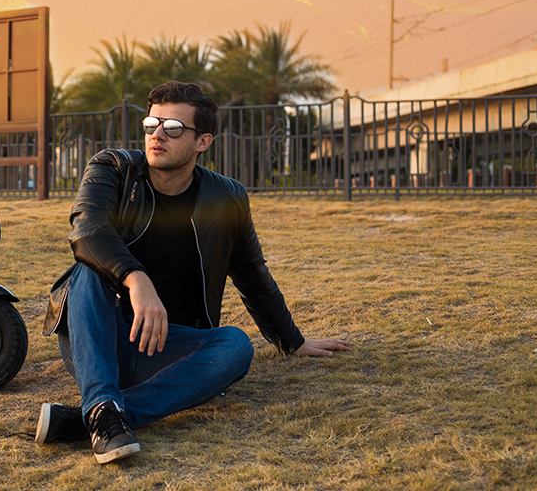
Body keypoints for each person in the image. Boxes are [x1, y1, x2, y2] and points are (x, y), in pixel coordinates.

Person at [35, 81, 353, 464]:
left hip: (167, 349)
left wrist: (293, 341)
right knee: (86, 271)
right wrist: (136, 279)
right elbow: (87, 230)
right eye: (152, 124)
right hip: (101, 339)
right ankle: (102, 401)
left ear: (203, 141)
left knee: (236, 345)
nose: (157, 135)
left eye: (172, 128)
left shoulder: (227, 197)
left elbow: (253, 276)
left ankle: (98, 416)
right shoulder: (113, 168)